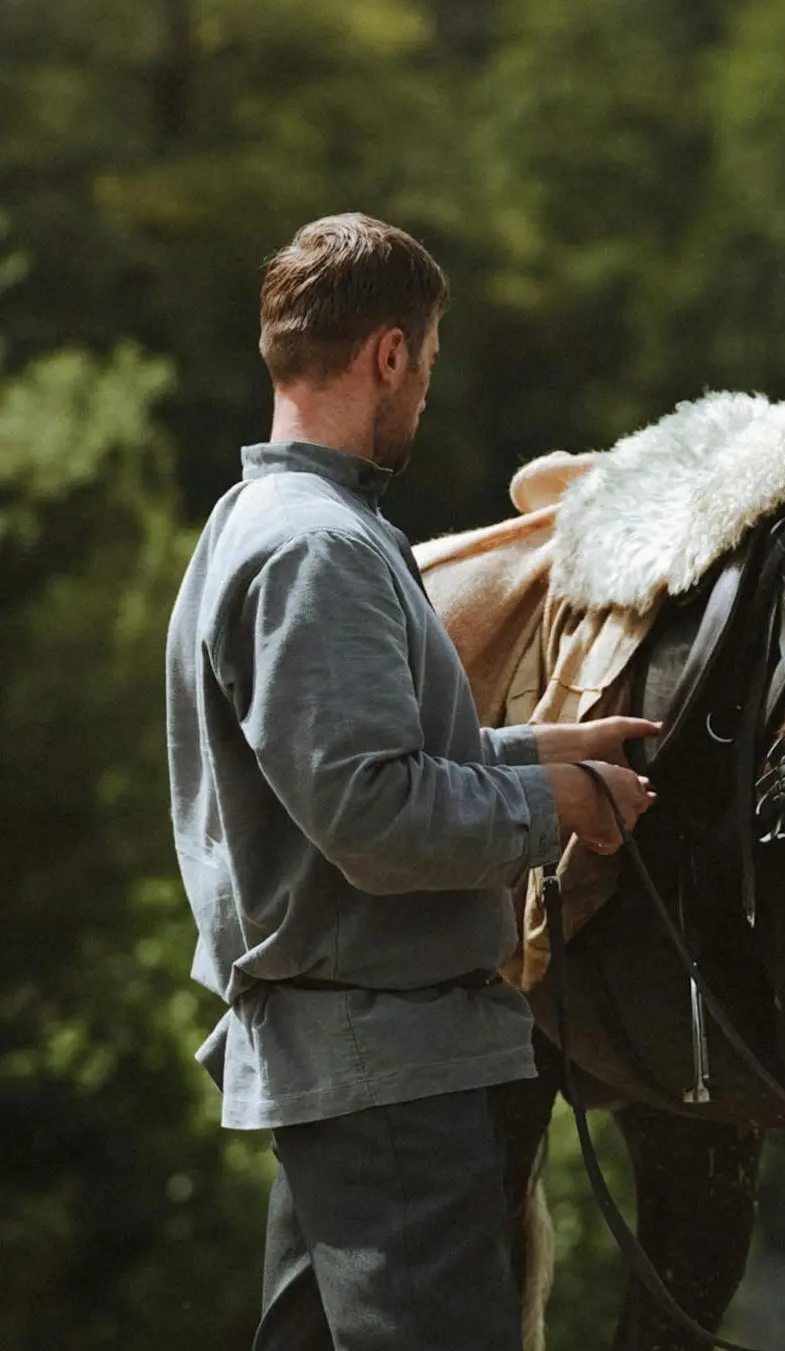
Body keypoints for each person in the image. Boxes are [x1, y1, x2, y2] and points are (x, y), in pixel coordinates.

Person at [167, 213, 661, 1350]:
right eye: (428, 364)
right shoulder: (320, 547)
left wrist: (538, 750)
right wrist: (556, 811)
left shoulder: (263, 521)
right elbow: (372, 819)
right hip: (389, 1077)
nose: (426, 394)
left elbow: (348, 773)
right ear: (389, 353)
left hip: (350, 1070)